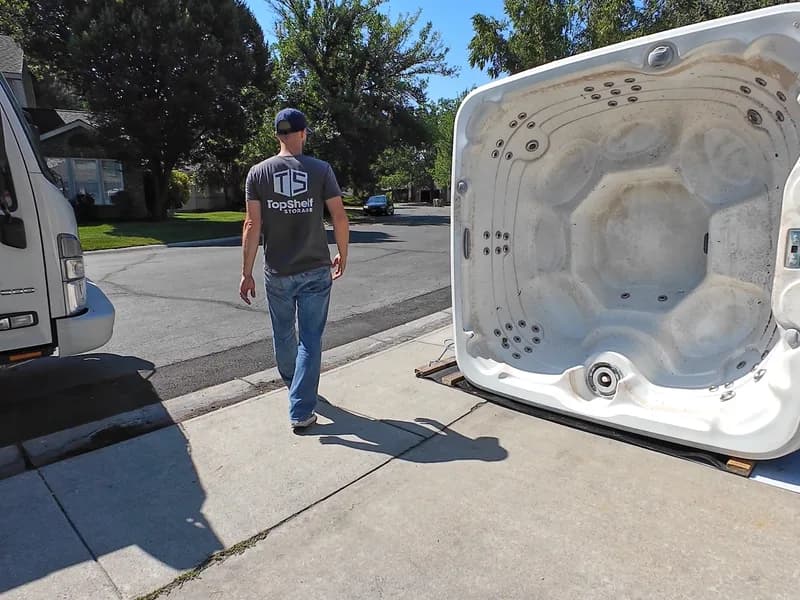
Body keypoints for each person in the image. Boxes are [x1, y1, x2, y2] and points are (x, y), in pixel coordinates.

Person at [239, 108, 349, 429]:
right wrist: (342, 253)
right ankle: (301, 408)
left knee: (284, 332)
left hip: (278, 272)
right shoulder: (321, 170)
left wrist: (246, 272)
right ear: (304, 133)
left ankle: (293, 380)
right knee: (310, 338)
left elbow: (252, 224)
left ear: (278, 135)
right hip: (316, 268)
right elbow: (339, 217)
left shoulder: (257, 174)